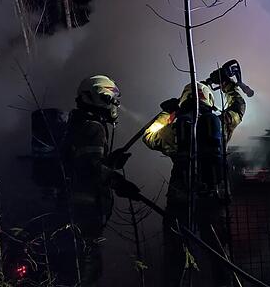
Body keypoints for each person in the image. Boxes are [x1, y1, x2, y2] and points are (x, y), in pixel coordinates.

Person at [143, 67, 248, 287]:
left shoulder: (174, 130)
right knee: (220, 258)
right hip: (214, 201)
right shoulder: (223, 123)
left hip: (180, 203)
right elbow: (239, 107)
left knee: (176, 259)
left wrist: (167, 114)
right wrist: (228, 85)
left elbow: (149, 136)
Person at [63, 75, 122, 286]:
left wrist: (111, 162)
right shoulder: (94, 127)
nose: (115, 105)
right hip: (87, 211)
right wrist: (117, 180)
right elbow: (91, 169)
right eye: (111, 99)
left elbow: (86, 161)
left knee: (76, 266)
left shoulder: (77, 122)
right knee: (88, 271)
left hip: (73, 210)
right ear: (99, 97)